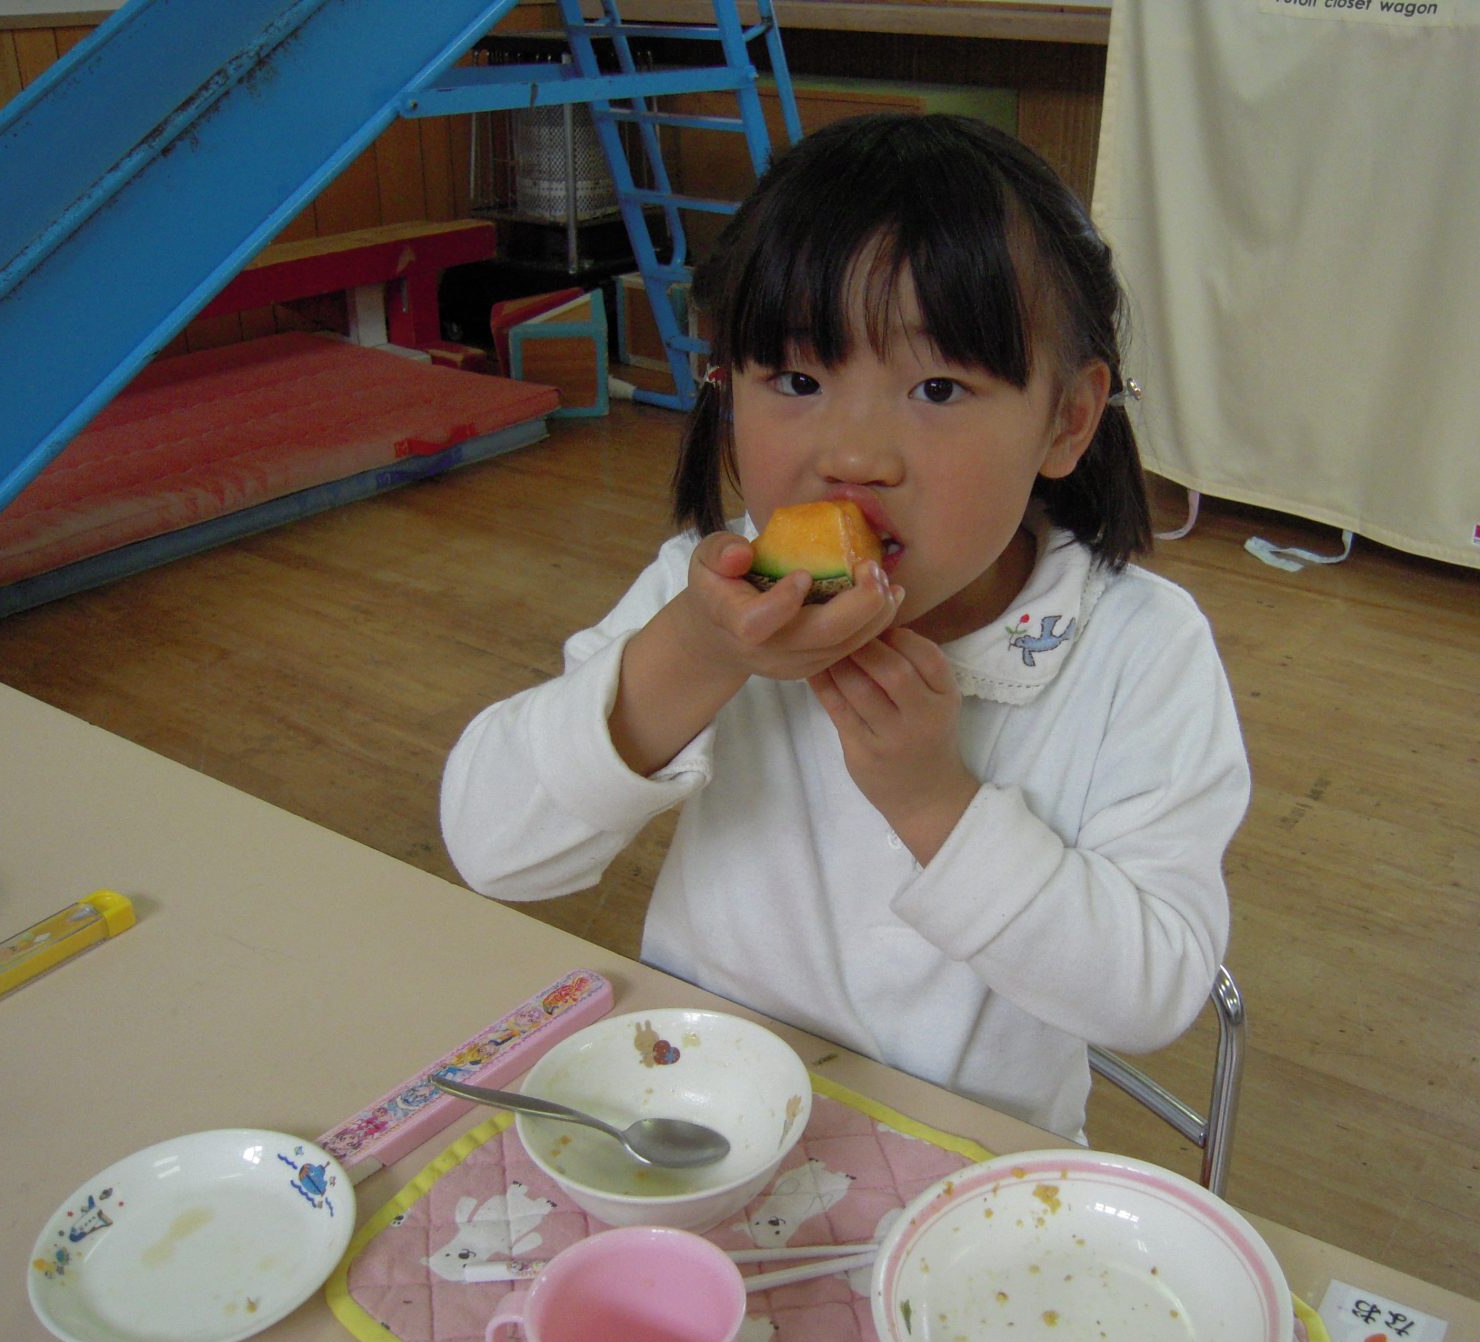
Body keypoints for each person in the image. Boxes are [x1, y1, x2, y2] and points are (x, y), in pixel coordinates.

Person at [441, 114, 1249, 1140]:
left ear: (1067, 420)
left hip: (965, 1158)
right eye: (798, 381)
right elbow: (493, 850)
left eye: (938, 388)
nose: (854, 455)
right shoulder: (706, 596)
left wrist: (934, 801)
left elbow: (1151, 994)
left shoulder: (1139, 651)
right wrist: (696, 654)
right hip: (701, 1114)